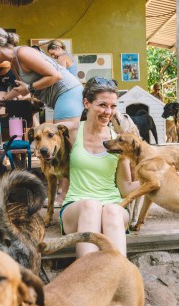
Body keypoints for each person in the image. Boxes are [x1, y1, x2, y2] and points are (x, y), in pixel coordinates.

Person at [58, 77, 139, 258]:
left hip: (112, 210)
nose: (108, 112)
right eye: (102, 105)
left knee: (111, 209)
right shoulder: (71, 131)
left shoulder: (119, 141)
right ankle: (87, 276)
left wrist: (158, 178)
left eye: (113, 106)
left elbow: (125, 188)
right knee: (92, 206)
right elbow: (43, 134)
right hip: (77, 208)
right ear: (87, 103)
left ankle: (119, 276)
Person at [0, 26, 83, 124]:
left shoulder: (23, 53)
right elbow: (21, 88)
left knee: (65, 138)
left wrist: (29, 88)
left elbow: (56, 76)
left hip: (68, 91)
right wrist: (2, 102)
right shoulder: (13, 61)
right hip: (59, 97)